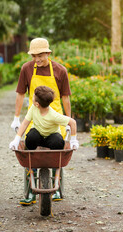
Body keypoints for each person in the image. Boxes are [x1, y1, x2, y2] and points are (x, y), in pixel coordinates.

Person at [10, 37, 72, 204]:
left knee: (57, 151)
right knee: (30, 151)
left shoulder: (60, 71)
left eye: (40, 55)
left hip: (55, 118)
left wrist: (68, 122)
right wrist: (17, 117)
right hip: (35, 117)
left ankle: (57, 187)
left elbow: (65, 98)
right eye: (34, 56)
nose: (37, 59)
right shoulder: (27, 69)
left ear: (48, 53)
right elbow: (21, 94)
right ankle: (30, 189)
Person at [9, 86, 79, 205]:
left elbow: (72, 122)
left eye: (33, 97)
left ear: (37, 103)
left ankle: (55, 185)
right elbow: (25, 123)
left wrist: (73, 140)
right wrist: (17, 139)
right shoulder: (33, 109)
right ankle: (32, 176)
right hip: (38, 137)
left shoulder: (53, 115)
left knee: (58, 140)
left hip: (51, 138)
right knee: (31, 136)